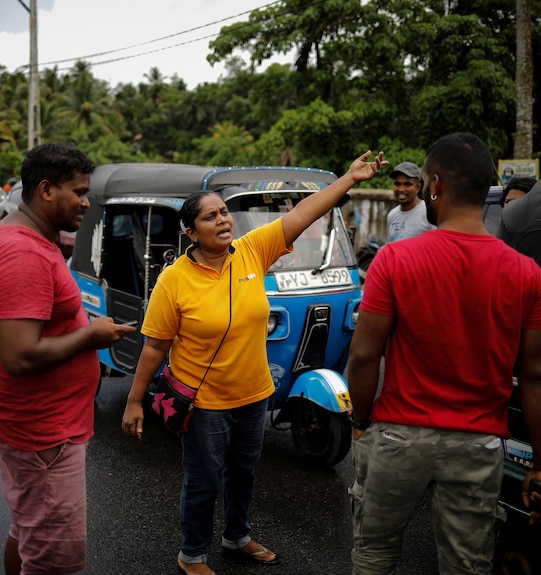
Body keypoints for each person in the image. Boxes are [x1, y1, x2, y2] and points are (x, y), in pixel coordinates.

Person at [122, 150, 389, 575]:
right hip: (205, 403)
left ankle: (237, 536)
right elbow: (154, 346)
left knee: (244, 473)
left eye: (224, 212)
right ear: (191, 232)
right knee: (203, 480)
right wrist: (135, 400)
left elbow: (304, 213)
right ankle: (191, 554)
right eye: (210, 217)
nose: (223, 220)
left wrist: (348, 180)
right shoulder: (173, 279)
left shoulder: (251, 251)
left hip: (254, 394)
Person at [346, 132, 541, 575]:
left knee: (374, 556)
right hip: (479, 446)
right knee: (466, 566)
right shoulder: (529, 275)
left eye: (423, 183)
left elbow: (365, 356)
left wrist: (360, 420)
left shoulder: (393, 261)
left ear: (435, 186)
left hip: (399, 436)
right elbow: (538, 378)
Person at [0, 142, 137, 575]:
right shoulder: (22, 252)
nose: (86, 202)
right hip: (43, 434)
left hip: (38, 428)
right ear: (46, 190)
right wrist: (90, 335)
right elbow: (21, 355)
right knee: (53, 562)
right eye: (79, 192)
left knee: (26, 532)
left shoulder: (23, 236)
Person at [385, 161, 435, 242]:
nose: (401, 189)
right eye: (397, 184)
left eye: (407, 184)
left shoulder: (428, 212)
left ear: (418, 188)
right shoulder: (392, 215)